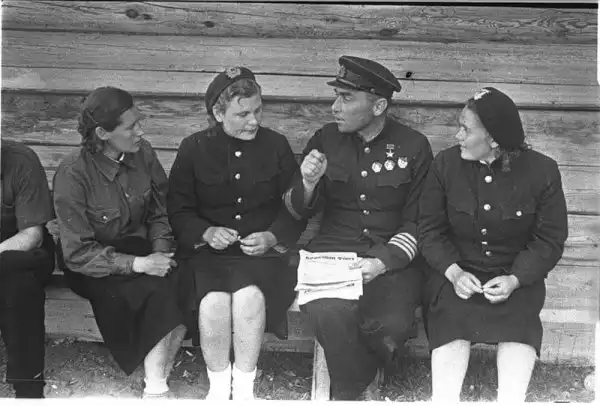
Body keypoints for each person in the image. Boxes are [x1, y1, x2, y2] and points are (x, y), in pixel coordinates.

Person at [282, 56, 434, 400]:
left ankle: (345, 390)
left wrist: (382, 261)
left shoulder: (413, 146)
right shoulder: (325, 139)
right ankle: (349, 394)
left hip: (391, 260)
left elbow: (420, 220)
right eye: (336, 97)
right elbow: (296, 210)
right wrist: (308, 183)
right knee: (326, 312)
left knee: (392, 325)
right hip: (332, 256)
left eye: (346, 98)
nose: (335, 107)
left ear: (378, 106)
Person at [418, 87, 569, 402]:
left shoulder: (542, 171)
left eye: (466, 129)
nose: (458, 136)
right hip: (458, 275)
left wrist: (516, 279)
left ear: (494, 140)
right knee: (451, 317)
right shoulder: (445, 165)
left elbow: (550, 239)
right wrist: (453, 273)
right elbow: (429, 231)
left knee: (519, 324)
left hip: (515, 278)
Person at [167, 67, 306, 400]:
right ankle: (218, 390)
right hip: (207, 256)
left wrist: (273, 237)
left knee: (249, 299)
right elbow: (178, 210)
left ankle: (244, 391)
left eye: (258, 110)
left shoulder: (276, 145)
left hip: (262, 257)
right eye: (242, 114)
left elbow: (294, 207)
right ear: (218, 114)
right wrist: (206, 232)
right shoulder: (194, 148)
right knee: (212, 303)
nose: (253, 121)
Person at [52, 87, 187, 399]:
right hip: (93, 264)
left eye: (139, 122)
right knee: (156, 293)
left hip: (140, 248)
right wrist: (140, 265)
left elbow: (160, 211)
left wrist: (160, 253)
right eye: (131, 127)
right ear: (102, 133)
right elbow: (77, 252)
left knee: (184, 277)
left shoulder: (144, 153)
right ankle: (156, 389)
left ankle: (159, 370)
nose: (141, 131)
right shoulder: (73, 174)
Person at [0, 140, 55, 398]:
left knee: (18, 280)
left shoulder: (21, 161)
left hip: (21, 250)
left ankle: (28, 389)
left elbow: (32, 236)